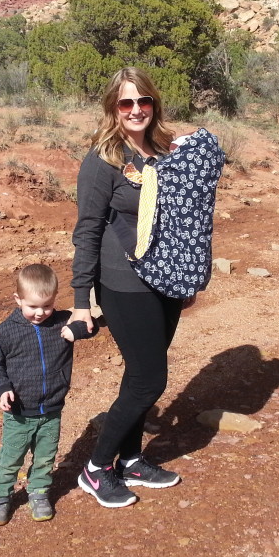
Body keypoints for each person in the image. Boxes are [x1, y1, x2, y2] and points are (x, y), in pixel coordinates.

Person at [69, 66, 203, 508]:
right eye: (126, 103)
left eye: (143, 101)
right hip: (123, 283)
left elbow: (185, 218)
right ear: (113, 108)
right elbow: (87, 231)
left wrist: (187, 276)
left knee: (141, 373)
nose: (136, 110)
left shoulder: (166, 152)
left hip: (166, 278)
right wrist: (80, 302)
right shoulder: (101, 161)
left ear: (153, 103)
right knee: (149, 379)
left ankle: (130, 459)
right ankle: (96, 467)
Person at [0, 263, 91, 524]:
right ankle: (1, 496)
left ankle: (39, 492)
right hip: (19, 412)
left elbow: (92, 325)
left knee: (45, 456)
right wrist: (2, 389)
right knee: (11, 458)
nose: (41, 313)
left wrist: (75, 329)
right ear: (18, 299)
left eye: (47, 305)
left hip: (52, 409)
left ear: (55, 300)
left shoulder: (62, 321)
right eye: (32, 306)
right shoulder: (6, 331)